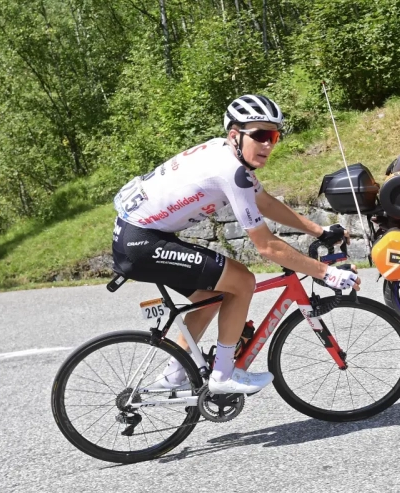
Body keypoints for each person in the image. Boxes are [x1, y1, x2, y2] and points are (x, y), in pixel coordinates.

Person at [111, 94, 360, 395]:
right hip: (141, 241)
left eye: (275, 136)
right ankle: (222, 375)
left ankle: (174, 374)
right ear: (235, 135)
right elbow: (266, 246)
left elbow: (265, 201)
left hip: (141, 236)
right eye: (261, 135)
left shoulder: (226, 153)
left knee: (214, 295)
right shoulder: (231, 171)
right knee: (242, 281)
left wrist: (319, 231)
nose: (269, 144)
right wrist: (326, 273)